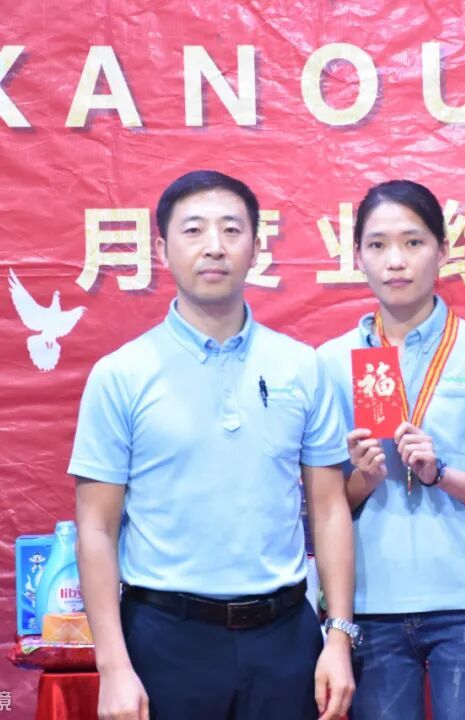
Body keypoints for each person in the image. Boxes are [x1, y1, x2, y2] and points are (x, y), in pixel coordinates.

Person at [70, 170, 358, 720]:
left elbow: (328, 509)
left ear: (257, 248)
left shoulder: (301, 366)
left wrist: (339, 637)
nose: (214, 246)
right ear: (162, 250)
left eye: (231, 229)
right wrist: (113, 667)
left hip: (285, 638)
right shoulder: (121, 374)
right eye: (194, 230)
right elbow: (96, 528)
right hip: (164, 639)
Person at [317, 180, 465, 720]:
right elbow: (322, 508)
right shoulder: (330, 362)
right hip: (371, 607)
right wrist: (364, 480)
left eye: (413, 242)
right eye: (378, 245)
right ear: (358, 257)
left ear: (442, 250)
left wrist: (442, 474)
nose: (395, 260)